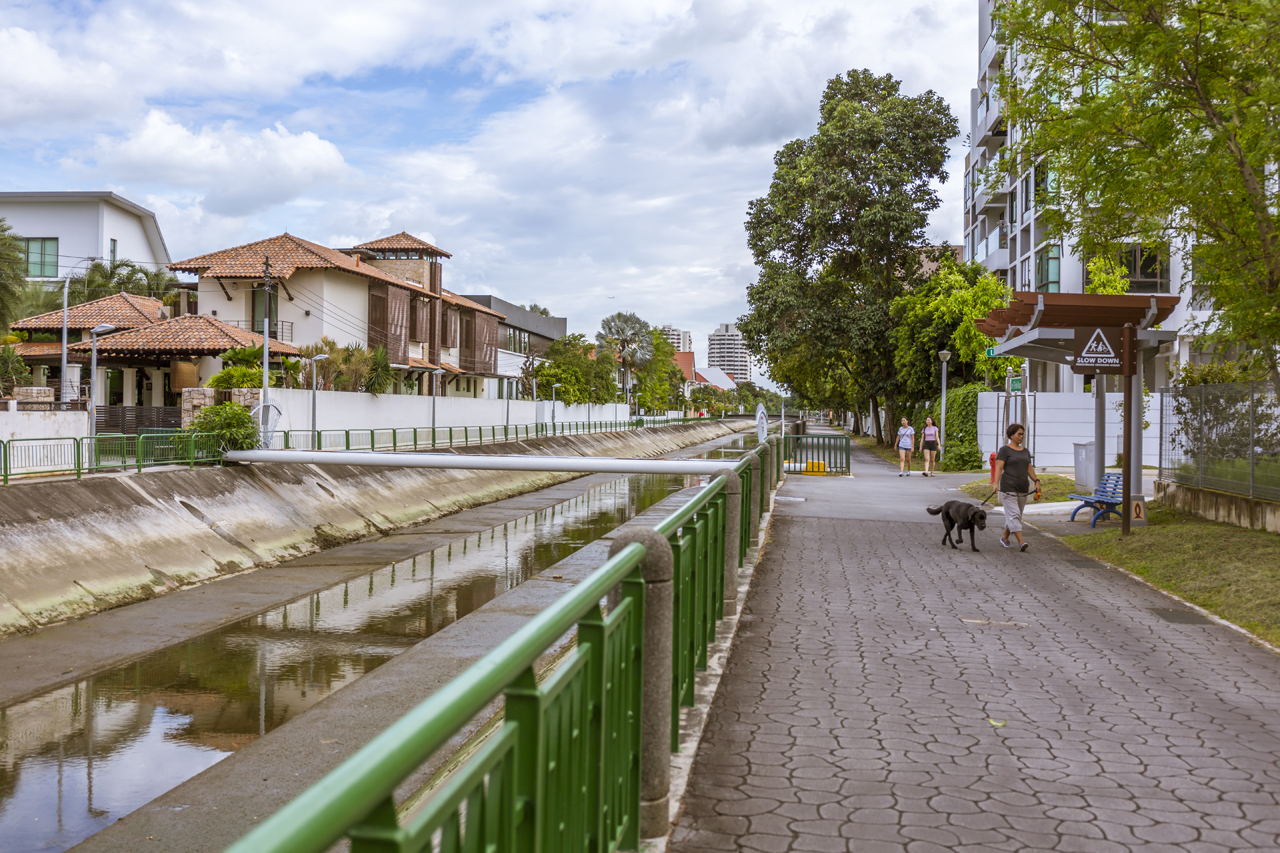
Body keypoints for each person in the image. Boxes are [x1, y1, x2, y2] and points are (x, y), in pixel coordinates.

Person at [991, 422, 1040, 552]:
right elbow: (999, 467)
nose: (1021, 436)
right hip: (1008, 487)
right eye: (1019, 434)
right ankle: (1021, 542)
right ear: (1011, 435)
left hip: (1023, 487)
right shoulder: (1004, 450)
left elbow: (1029, 468)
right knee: (1014, 515)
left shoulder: (1025, 452)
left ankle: (1005, 537)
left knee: (1015, 515)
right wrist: (996, 483)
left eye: (1023, 434)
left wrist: (1036, 481)